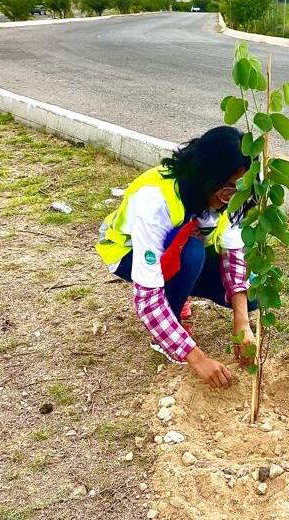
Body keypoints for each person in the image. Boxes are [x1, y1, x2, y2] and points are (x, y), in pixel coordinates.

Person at [96, 126, 255, 389]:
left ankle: (178, 293)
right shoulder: (155, 200)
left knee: (252, 296)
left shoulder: (230, 195)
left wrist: (242, 322)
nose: (233, 198)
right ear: (207, 175)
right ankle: (167, 328)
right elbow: (147, 300)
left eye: (241, 188)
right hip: (128, 253)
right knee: (191, 253)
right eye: (228, 189)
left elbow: (233, 255)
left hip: (180, 251)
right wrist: (196, 357)